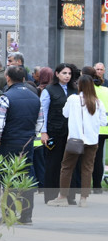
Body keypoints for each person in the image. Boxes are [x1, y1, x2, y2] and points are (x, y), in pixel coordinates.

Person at [0, 64, 41, 224]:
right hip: (28, 141)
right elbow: (40, 123)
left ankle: (8, 213)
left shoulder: (6, 97)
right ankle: (27, 215)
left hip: (9, 141)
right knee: (27, 176)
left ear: (8, 77)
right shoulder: (35, 96)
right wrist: (32, 135)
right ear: (25, 78)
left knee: (8, 177)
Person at [57, 74, 107, 207]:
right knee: (87, 169)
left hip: (75, 139)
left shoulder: (73, 99)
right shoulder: (97, 102)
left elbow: (65, 113)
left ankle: (62, 196)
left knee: (67, 167)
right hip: (92, 140)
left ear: (79, 85)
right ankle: (84, 198)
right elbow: (104, 121)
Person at [38, 63, 77, 204]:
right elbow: (43, 112)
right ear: (57, 74)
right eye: (64, 73)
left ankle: (68, 195)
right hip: (54, 131)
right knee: (53, 164)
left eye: (69, 74)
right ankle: (51, 195)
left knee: (70, 164)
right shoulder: (49, 90)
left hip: (71, 132)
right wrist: (44, 132)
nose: (67, 76)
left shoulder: (75, 90)